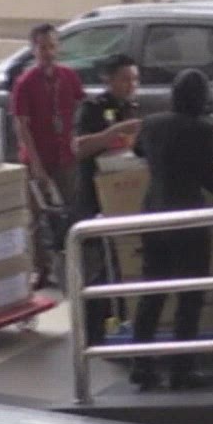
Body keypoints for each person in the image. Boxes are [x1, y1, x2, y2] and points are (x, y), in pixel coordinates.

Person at [130, 69, 213, 391]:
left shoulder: (152, 123)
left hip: (153, 214)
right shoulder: (201, 130)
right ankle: (181, 369)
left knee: (153, 290)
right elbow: (212, 183)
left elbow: (138, 150)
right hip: (187, 220)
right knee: (189, 296)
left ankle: (141, 364)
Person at [72, 54, 145, 351]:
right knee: (99, 268)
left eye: (135, 79)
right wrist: (110, 134)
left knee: (123, 263)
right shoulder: (92, 108)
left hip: (123, 195)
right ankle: (92, 334)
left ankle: (123, 323)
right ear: (109, 79)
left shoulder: (133, 108)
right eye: (125, 79)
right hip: (94, 197)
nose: (131, 85)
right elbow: (78, 148)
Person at [10, 23, 85, 288]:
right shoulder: (25, 83)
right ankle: (40, 268)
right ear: (34, 50)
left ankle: (71, 263)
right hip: (37, 158)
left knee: (69, 210)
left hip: (65, 156)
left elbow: (80, 105)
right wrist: (36, 165)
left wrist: (75, 134)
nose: (48, 53)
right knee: (36, 216)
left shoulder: (69, 76)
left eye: (52, 46)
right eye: (43, 48)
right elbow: (22, 125)